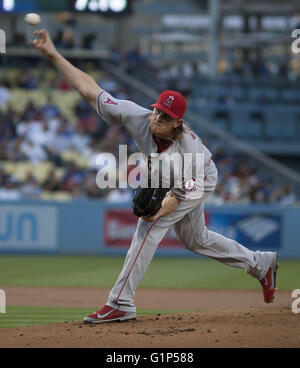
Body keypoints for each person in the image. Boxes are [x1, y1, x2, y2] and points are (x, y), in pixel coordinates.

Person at [32, 29, 278, 324]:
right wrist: (54, 55)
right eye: (156, 111)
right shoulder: (138, 117)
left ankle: (120, 302)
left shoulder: (190, 153)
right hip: (168, 176)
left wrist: (156, 213)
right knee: (196, 240)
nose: (156, 118)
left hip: (199, 177)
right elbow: (89, 89)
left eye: (164, 116)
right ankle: (259, 263)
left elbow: (179, 195)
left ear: (178, 123)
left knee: (149, 226)